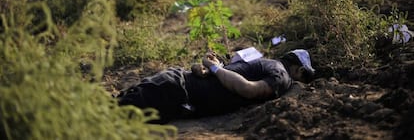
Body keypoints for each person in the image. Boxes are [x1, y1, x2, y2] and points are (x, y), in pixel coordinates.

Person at [117, 49, 315, 124]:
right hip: (174, 89)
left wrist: (212, 68)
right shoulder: (282, 74)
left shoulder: (261, 60)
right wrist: (211, 67)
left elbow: (219, 73)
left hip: (175, 92)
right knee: (109, 113)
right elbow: (248, 89)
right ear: (298, 69)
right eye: (305, 76)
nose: (302, 83)